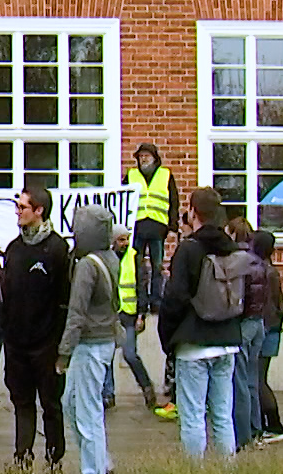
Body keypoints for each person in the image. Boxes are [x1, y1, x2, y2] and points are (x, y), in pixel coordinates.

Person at [158, 188, 245, 459]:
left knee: (193, 415)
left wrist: (168, 337)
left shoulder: (189, 248)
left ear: (192, 211)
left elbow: (175, 298)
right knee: (222, 414)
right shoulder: (232, 247)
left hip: (193, 342)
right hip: (228, 340)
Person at [0, 187, 70, 474]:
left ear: (39, 210)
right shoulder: (14, 249)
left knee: (51, 404)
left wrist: (59, 347)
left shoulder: (56, 249)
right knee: (21, 402)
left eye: (23, 207)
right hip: (17, 343)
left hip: (46, 342)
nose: (18, 211)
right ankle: (22, 455)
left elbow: (64, 299)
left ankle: (54, 459)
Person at [59, 206, 120, 474]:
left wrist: (64, 352)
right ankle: (101, 463)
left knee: (86, 411)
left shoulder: (87, 265)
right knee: (72, 403)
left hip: (88, 344)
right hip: (104, 340)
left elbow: (76, 312)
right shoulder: (110, 258)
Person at [227, 217, 269, 450]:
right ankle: (255, 430)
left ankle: (242, 436)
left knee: (240, 382)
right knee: (252, 380)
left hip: (242, 325)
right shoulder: (259, 262)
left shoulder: (237, 261)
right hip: (258, 324)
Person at [109, 223, 157, 410]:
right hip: (112, 315)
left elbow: (141, 287)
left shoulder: (134, 257)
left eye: (127, 239)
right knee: (106, 357)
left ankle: (146, 387)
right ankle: (108, 394)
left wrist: (141, 314)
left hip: (129, 314)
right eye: (121, 239)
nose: (125, 243)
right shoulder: (108, 258)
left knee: (130, 353)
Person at [127, 143, 179, 307]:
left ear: (155, 158)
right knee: (138, 266)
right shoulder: (131, 175)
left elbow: (173, 202)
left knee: (157, 265)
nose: (143, 159)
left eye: (146, 156)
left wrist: (172, 227)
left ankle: (156, 300)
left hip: (158, 227)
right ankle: (141, 300)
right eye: (141, 156)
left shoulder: (165, 175)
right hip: (138, 227)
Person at [252, 229, 283, 443]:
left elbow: (268, 306)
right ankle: (268, 423)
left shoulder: (265, 272)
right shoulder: (270, 270)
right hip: (272, 329)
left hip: (267, 330)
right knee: (258, 378)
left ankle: (274, 424)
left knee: (258, 379)